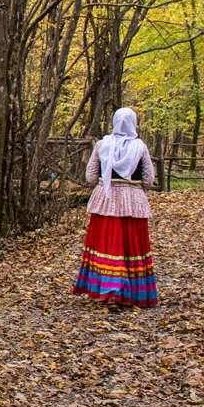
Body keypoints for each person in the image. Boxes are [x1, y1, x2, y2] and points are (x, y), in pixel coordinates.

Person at [72, 107, 159, 308]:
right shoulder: (140, 147)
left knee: (107, 244)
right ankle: (132, 291)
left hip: (107, 201)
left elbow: (91, 176)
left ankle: (108, 289)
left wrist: (106, 181)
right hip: (132, 202)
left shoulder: (103, 145)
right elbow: (148, 179)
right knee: (131, 245)